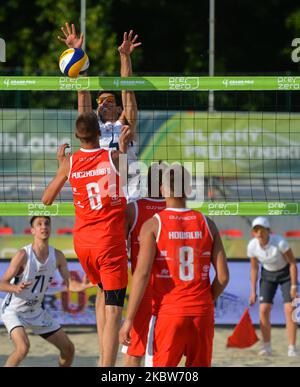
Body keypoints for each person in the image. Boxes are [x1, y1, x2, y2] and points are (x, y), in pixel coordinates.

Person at [42, 111, 132, 367]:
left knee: (103, 294)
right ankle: (107, 369)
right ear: (100, 133)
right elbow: (125, 180)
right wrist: (123, 148)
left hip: (83, 243)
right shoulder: (111, 156)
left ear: (76, 136)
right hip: (108, 241)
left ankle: (103, 360)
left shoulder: (69, 162)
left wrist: (62, 164)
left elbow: (46, 200)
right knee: (114, 308)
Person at [119, 165, 229, 367]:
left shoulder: (153, 225)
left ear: (162, 190)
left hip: (169, 313)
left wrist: (129, 319)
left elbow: (142, 275)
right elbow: (223, 277)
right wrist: (203, 301)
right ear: (188, 190)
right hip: (202, 312)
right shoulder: (208, 223)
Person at [0, 216, 86, 367]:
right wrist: (15, 288)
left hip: (35, 311)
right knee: (23, 348)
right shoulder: (23, 255)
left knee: (68, 349)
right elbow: (2, 283)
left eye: (47, 223)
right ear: (33, 230)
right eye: (39, 224)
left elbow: (70, 285)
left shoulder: (58, 255)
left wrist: (82, 285)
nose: (44, 227)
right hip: (14, 310)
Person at [58, 23, 141, 166]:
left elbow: (127, 88)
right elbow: (82, 91)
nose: (103, 103)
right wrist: (76, 53)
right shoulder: (92, 130)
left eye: (109, 100)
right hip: (102, 184)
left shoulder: (127, 126)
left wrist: (124, 56)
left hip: (128, 185)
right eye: (100, 100)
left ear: (119, 109)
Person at [122, 161, 167, 367]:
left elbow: (120, 250)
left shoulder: (133, 209)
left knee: (134, 352)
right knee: (165, 353)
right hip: (171, 291)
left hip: (143, 290)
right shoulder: (179, 210)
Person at [248, 216, 298, 357]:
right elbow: (254, 268)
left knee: (290, 309)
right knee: (263, 309)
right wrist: (253, 291)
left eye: (262, 230)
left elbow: (293, 264)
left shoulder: (280, 242)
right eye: (256, 230)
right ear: (253, 232)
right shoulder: (252, 246)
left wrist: (294, 285)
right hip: (268, 275)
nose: (259, 233)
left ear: (268, 231)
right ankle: (267, 347)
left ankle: (292, 348)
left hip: (286, 274)